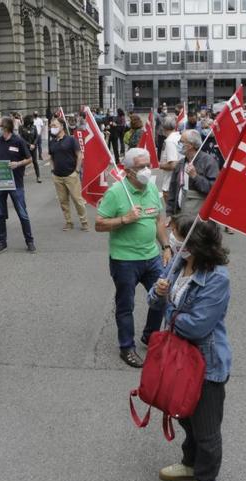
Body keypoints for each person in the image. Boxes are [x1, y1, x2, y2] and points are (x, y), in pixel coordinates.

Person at [147, 215, 231, 481]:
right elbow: (152, 299)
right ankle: (191, 463)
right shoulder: (178, 263)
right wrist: (159, 292)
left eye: (177, 235)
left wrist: (168, 307)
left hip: (206, 364)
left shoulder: (217, 278)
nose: (172, 238)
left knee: (206, 428)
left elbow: (197, 326)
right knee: (186, 416)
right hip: (178, 357)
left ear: (193, 243)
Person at [95, 148, 171, 368]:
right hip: (124, 260)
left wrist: (165, 246)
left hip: (152, 256)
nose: (146, 171)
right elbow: (99, 224)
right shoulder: (116, 192)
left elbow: (157, 220)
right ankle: (126, 347)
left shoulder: (151, 189)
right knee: (125, 305)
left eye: (148, 165)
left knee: (161, 297)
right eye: (140, 167)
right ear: (127, 171)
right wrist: (124, 219)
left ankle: (150, 335)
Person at [0, 117, 36, 254]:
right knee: (0, 214)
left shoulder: (18, 141)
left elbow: (29, 158)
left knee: (22, 214)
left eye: (0, 127)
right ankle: (2, 242)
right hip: (0, 183)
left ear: (6, 128)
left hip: (16, 183)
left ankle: (30, 241)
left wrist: (17, 164)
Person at [47, 118, 89, 232]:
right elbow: (51, 157)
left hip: (71, 175)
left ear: (61, 126)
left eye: (54, 125)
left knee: (77, 200)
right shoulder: (52, 142)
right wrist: (52, 170)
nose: (52, 128)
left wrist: (77, 171)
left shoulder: (71, 140)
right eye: (51, 126)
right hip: (58, 176)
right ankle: (68, 222)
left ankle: (84, 221)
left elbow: (79, 155)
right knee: (63, 201)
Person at [167, 130, 219, 216]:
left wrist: (195, 176)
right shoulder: (181, 163)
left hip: (198, 217)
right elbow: (173, 189)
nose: (179, 144)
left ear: (190, 145)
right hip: (180, 214)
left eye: (181, 141)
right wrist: (169, 213)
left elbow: (213, 189)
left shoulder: (209, 162)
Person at [159, 116, 181, 200]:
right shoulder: (178, 136)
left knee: (170, 211)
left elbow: (173, 165)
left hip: (170, 183)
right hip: (178, 180)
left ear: (163, 127)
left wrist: (159, 165)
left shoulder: (170, 141)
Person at [19, 115, 42, 183]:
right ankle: (21, 176)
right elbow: (21, 138)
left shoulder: (34, 127)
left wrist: (34, 144)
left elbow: (36, 136)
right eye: (30, 121)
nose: (31, 123)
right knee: (23, 161)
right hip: (25, 147)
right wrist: (29, 145)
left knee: (35, 161)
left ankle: (38, 177)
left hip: (33, 147)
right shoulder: (21, 127)